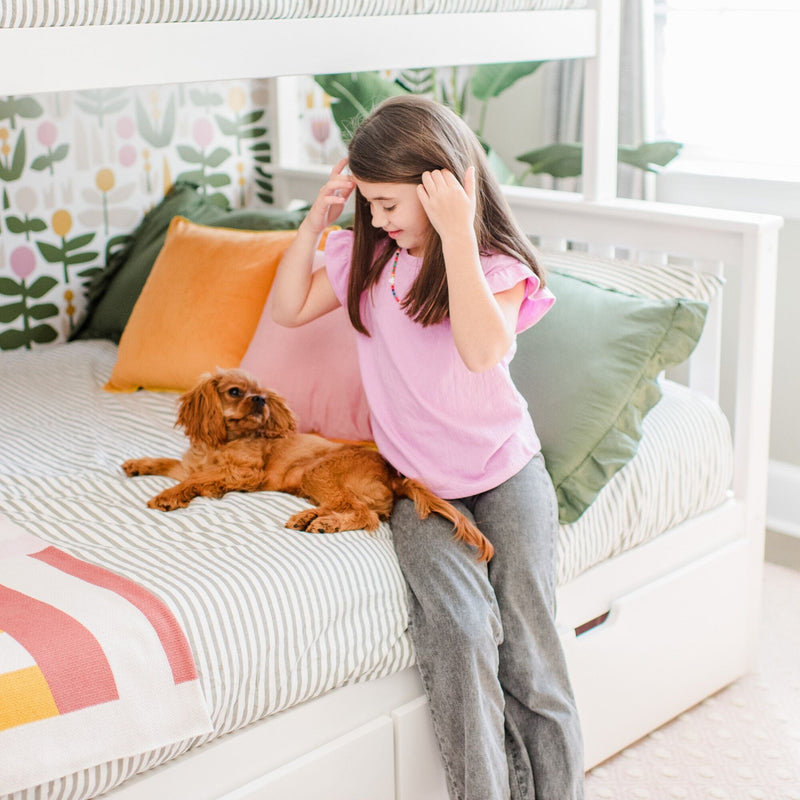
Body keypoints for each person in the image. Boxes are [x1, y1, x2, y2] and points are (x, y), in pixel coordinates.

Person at [271, 94, 584, 800]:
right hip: (421, 489)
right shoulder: (368, 257)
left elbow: (481, 352)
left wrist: (457, 235)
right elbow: (288, 309)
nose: (378, 218)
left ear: (440, 184)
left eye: (388, 203)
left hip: (508, 472)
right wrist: (315, 224)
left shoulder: (493, 266)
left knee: (530, 653)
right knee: (462, 634)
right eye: (370, 204)